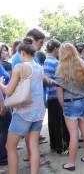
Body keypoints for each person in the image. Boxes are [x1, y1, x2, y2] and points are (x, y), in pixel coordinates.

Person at [0, 37, 52, 174]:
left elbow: (9, 91)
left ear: (22, 52)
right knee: (33, 145)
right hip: (39, 113)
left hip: (23, 113)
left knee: (10, 146)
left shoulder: (20, 67)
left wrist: (0, 83)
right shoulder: (39, 68)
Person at [56, 43, 84, 171]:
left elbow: (59, 91)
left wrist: (63, 106)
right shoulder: (83, 64)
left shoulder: (61, 68)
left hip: (71, 103)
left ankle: (71, 163)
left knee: (73, 135)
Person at [44, 39, 70, 154]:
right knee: (60, 123)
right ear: (55, 49)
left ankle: (55, 145)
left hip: (50, 96)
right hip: (57, 96)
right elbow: (61, 80)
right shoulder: (55, 62)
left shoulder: (46, 61)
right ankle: (62, 147)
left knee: (52, 123)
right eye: (59, 49)